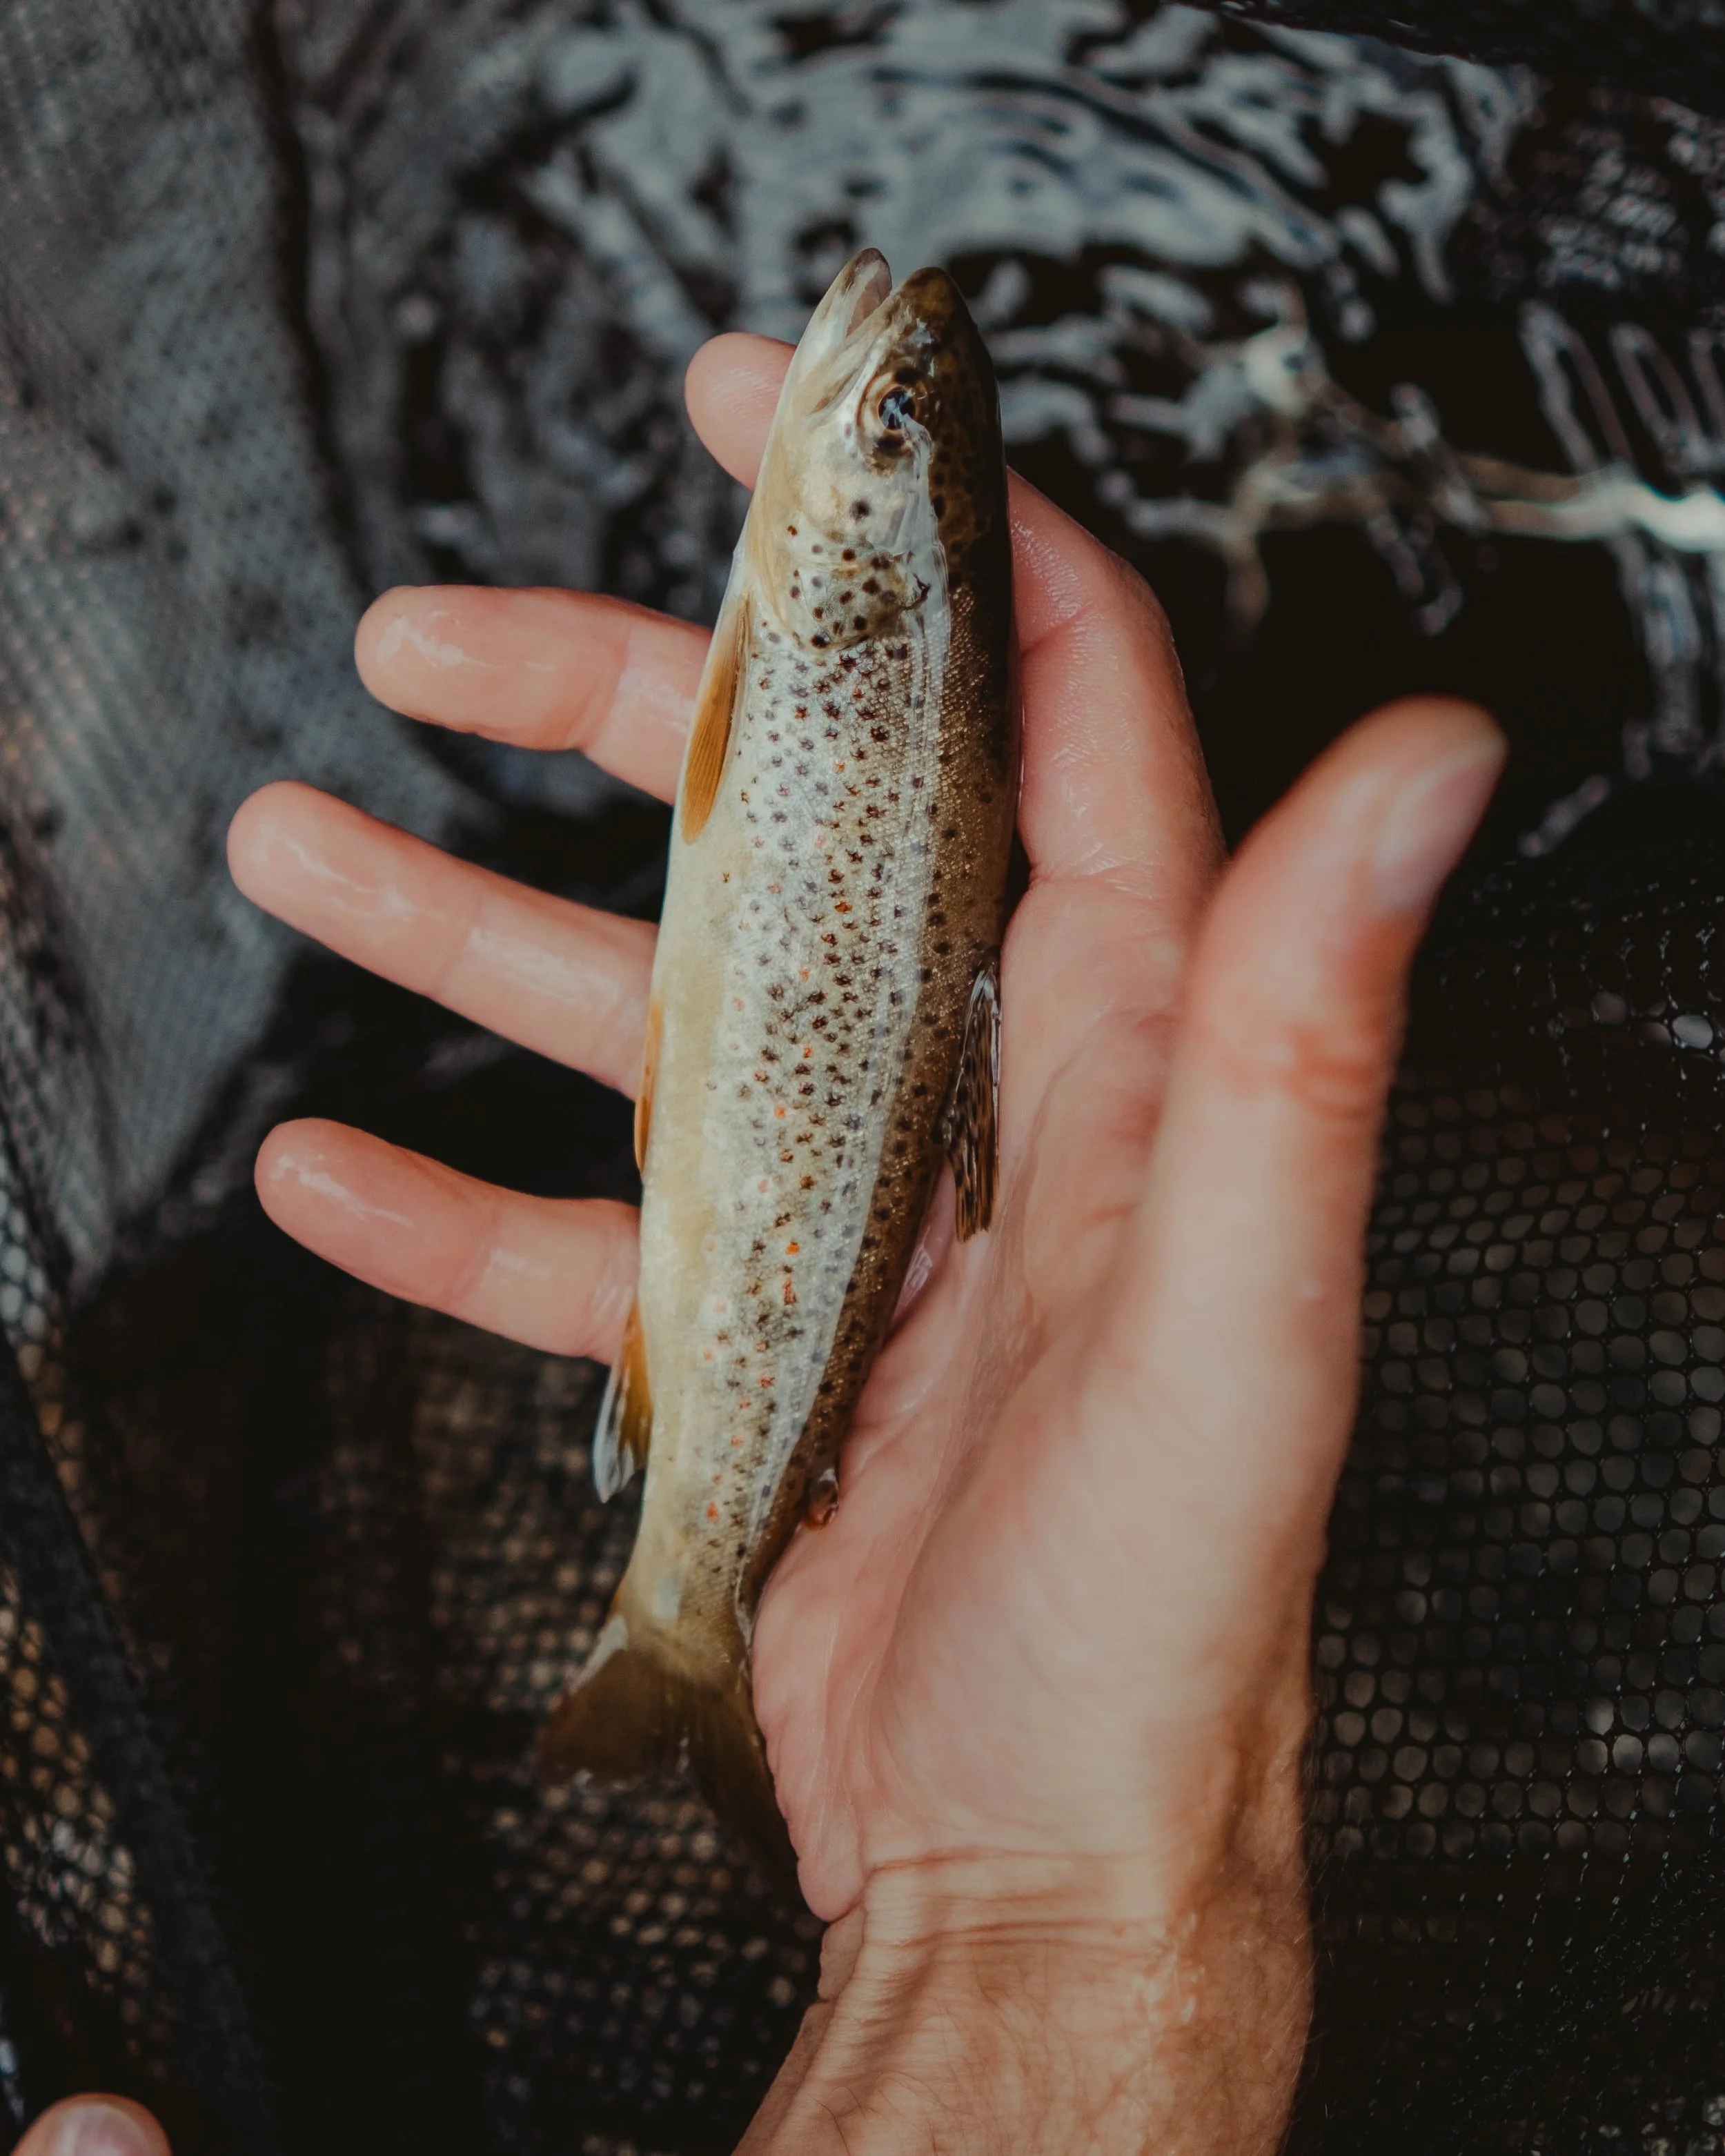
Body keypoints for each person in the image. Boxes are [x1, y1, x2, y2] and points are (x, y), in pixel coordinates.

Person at [13, 325, 1501, 2156]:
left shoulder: (848, 617)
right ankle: (680, 1613)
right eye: (894, 416)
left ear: (872, 542)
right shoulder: (856, 615)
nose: (869, 361)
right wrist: (1049, 1906)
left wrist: (1025, 1908)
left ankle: (679, 1621)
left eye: (880, 423)